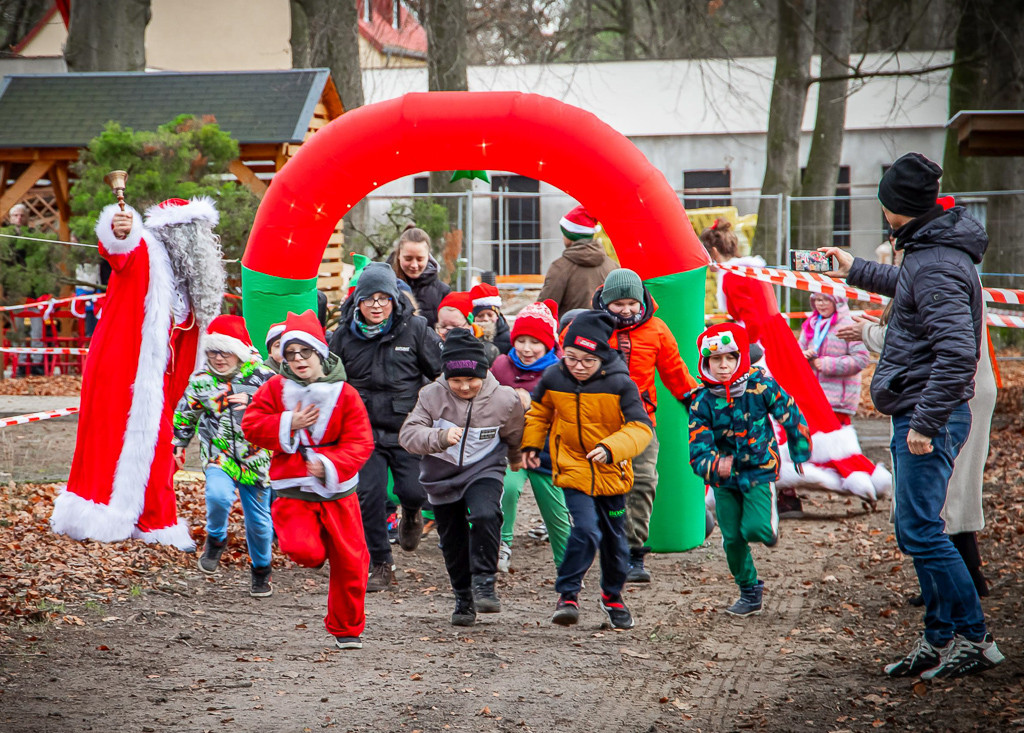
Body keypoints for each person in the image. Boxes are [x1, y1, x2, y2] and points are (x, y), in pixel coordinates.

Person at [822, 152, 1004, 679]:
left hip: (930, 413)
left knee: (925, 531)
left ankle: (975, 637)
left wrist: (925, 423)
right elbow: (912, 284)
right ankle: (938, 636)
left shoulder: (937, 260)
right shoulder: (931, 249)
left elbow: (954, 354)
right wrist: (853, 268)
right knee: (917, 530)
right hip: (921, 406)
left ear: (893, 207)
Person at [52, 197, 226, 550]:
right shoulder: (145, 254)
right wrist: (121, 229)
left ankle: (153, 521)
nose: (200, 243)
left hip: (163, 382)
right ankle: (100, 513)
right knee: (109, 440)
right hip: (122, 369)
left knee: (159, 445)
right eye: (193, 233)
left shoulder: (194, 287)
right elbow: (119, 252)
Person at [700, 218, 889, 510]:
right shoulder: (749, 270)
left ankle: (778, 486)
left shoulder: (733, 274)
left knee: (766, 410)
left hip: (760, 348)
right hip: (775, 342)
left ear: (712, 251)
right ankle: (844, 477)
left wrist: (742, 352)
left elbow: (750, 320)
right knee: (798, 405)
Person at [242, 310, 374, 649]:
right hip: (293, 486)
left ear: (320, 353)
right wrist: (289, 423)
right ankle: (316, 551)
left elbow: (361, 442)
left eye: (306, 352)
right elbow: (252, 425)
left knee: (352, 561)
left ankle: (347, 629)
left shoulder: (345, 395)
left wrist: (329, 464)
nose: (299, 360)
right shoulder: (274, 389)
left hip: (338, 488)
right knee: (305, 551)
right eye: (291, 354)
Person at [522, 311, 653, 630]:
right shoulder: (554, 377)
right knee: (586, 529)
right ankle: (567, 595)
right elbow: (539, 413)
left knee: (614, 543)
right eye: (571, 357)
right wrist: (530, 445)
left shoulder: (620, 382)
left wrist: (611, 448)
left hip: (613, 473)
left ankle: (613, 597)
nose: (578, 366)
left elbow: (641, 428)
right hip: (573, 466)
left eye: (587, 360)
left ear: (601, 355)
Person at [399, 329, 525, 626]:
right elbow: (408, 435)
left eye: (471, 379)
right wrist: (439, 436)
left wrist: (516, 458)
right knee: (452, 538)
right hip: (441, 473)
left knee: (485, 514)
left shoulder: (504, 399)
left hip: (484, 467)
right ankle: (463, 597)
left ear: (484, 373)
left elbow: (514, 431)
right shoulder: (431, 395)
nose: (465, 386)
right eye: (456, 380)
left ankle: (484, 581)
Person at [328, 263, 442, 592]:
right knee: (369, 496)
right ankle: (381, 564)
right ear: (357, 302)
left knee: (413, 491)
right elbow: (328, 382)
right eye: (369, 299)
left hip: (406, 428)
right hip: (361, 432)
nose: (377, 305)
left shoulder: (416, 329)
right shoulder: (343, 336)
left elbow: (442, 373)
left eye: (383, 298)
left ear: (394, 299)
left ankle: (411, 514)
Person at [687, 323, 811, 617]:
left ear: (741, 358)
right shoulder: (701, 401)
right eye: (716, 360)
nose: (724, 366)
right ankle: (749, 589)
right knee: (732, 538)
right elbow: (697, 447)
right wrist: (715, 465)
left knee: (755, 529)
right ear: (706, 363)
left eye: (730, 358)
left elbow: (790, 414)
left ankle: (769, 528)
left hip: (759, 470)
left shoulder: (761, 386)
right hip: (724, 479)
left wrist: (799, 450)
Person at [593, 268, 698, 583]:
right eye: (618, 304)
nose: (626, 310)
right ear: (606, 303)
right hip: (599, 422)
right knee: (600, 487)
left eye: (632, 303)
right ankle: (602, 545)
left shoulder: (657, 330)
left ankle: (633, 553)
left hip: (641, 422)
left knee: (642, 482)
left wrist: (695, 401)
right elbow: (570, 362)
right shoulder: (591, 327)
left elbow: (675, 371)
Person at [172, 315, 275, 595]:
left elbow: (281, 407)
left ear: (239, 351)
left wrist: (253, 402)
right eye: (212, 352)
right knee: (217, 496)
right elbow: (187, 410)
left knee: (260, 524)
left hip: (257, 459)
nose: (218, 358)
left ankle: (261, 571)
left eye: (225, 351)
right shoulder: (202, 380)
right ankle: (216, 538)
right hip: (219, 453)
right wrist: (180, 440)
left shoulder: (264, 376)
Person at [489, 300, 571, 572]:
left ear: (548, 343)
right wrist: (510, 399)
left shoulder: (560, 370)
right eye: (520, 340)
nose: (525, 349)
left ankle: (568, 566)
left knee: (556, 510)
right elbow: (484, 400)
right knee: (506, 489)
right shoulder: (501, 366)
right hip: (508, 447)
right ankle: (502, 544)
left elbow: (567, 410)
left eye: (534, 342)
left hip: (547, 450)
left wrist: (532, 401)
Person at [797, 294, 870, 424]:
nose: (821, 304)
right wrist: (803, 355)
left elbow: (861, 359)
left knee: (837, 440)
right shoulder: (810, 324)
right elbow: (797, 351)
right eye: (818, 300)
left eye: (826, 300)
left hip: (838, 401)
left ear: (838, 302)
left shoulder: (850, 326)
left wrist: (827, 364)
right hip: (811, 396)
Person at [538, 206, 615, 314]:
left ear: (570, 235)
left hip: (570, 329)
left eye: (564, 233)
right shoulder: (613, 267)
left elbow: (544, 309)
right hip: (606, 330)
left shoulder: (560, 267)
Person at [389, 226, 450, 328]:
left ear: (428, 257)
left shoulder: (443, 292)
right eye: (408, 258)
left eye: (420, 259)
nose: (414, 265)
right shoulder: (385, 287)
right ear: (399, 255)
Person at [435, 291, 500, 365]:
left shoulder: (487, 351)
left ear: (469, 325)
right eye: (443, 326)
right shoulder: (434, 348)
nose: (448, 331)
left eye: (455, 326)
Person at [470, 282, 512, 354]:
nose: (485, 319)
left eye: (490, 315)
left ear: (497, 316)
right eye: (480, 315)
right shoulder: (468, 337)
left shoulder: (508, 339)